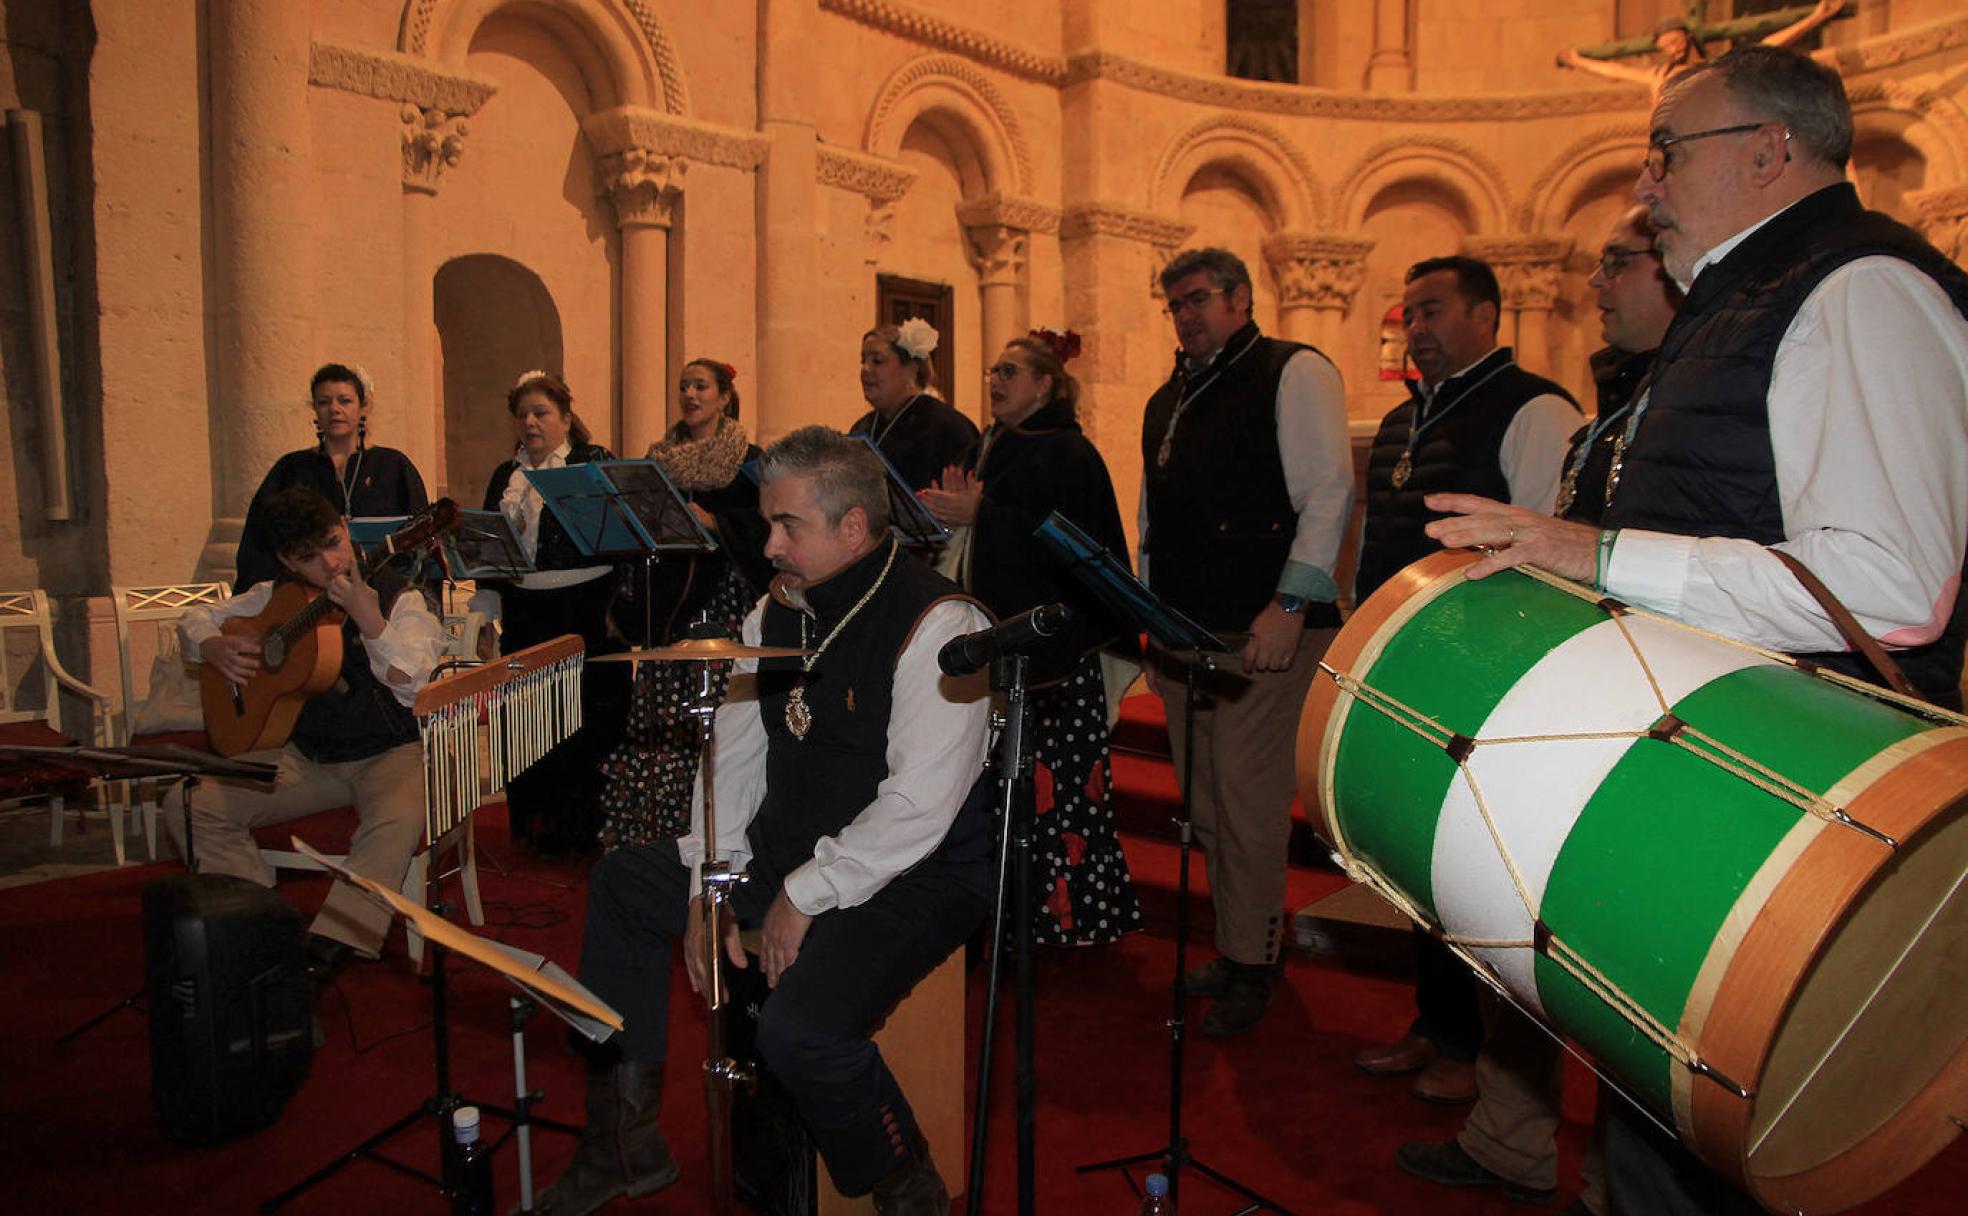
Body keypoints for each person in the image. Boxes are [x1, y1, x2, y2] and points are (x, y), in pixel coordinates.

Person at [1426, 46, 1968, 1214]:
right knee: (1655, 1143)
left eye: (1668, 152)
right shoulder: (1754, 296)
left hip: (1792, 803)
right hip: (1720, 782)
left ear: (1772, 150)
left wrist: (1594, 552)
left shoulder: (1860, 288)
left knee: (1705, 1157)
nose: (1646, 184)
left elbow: (1893, 588)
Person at [532, 426, 995, 1216]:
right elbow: (735, 760)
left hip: (916, 872)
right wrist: (712, 879)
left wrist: (805, 891)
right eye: (768, 523)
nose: (769, 543)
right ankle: (624, 1146)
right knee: (623, 883)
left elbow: (918, 806)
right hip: (795, 852)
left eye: (789, 526)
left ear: (853, 526)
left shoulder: (941, 622)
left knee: (798, 1033)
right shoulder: (773, 609)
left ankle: (908, 1186)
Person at [1394, 206, 1681, 1216]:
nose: (1594, 283)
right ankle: (1511, 1138)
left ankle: (1608, 1186)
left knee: (1612, 963)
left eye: (1619, 264)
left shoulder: (1656, 398)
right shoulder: (1616, 402)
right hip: (1558, 690)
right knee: (1523, 933)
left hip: (1637, 711)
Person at [1352, 254, 1580, 1104]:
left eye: (1433, 309)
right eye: (1407, 313)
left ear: (1487, 314)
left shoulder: (1536, 408)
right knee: (1416, 857)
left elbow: (1546, 555)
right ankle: (1437, 1024)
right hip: (1404, 667)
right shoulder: (1405, 418)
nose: (1415, 328)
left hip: (1484, 676)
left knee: (1471, 866)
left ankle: (1485, 1058)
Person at [1138, 247, 1353, 1038]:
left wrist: (1291, 601)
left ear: (1240, 298)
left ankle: (1255, 964)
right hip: (1186, 633)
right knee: (1207, 806)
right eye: (1176, 305)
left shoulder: (1292, 370)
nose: (1187, 315)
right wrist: (1151, 612)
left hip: (1266, 629)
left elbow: (1329, 490)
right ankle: (1237, 951)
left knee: (1248, 805)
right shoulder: (1171, 397)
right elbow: (1151, 522)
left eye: (1199, 299)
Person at [919, 327, 1143, 947]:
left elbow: (1070, 546)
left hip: (1061, 655)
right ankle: (1015, 914)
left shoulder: (1068, 454)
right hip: (1005, 651)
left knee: (1062, 792)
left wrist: (981, 517)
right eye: (993, 369)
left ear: (1046, 384)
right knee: (1008, 790)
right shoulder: (992, 445)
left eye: (1010, 371)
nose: (995, 380)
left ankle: (1072, 917)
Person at [169, 487, 448, 979]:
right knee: (189, 802)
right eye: (308, 557)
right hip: (306, 756)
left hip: (390, 753)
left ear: (344, 525)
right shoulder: (275, 598)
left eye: (334, 543)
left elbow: (416, 685)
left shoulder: (400, 598)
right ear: (287, 560)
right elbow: (196, 619)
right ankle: (262, 921)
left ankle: (327, 947)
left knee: (398, 820)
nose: (330, 563)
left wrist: (370, 621)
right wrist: (211, 645)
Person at [598, 358, 771, 848]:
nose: (690, 394)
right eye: (683, 386)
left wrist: (717, 524)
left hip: (724, 602)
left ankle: (717, 825)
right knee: (662, 715)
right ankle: (655, 824)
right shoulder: (656, 462)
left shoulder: (749, 459)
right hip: (669, 605)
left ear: (723, 397)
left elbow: (765, 528)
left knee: (718, 714)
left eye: (700, 386)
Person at [472, 370, 625, 854]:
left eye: (541, 413)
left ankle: (584, 826)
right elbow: (488, 548)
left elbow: (619, 537)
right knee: (528, 716)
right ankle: (538, 824)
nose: (531, 423)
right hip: (525, 608)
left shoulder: (590, 462)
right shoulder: (506, 474)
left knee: (582, 718)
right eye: (523, 415)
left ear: (565, 417)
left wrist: (619, 608)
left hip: (585, 604)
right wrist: (487, 604)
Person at [234, 363, 429, 591]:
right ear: (315, 409)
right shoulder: (291, 468)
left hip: (383, 593)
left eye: (345, 401)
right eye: (324, 402)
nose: (334, 409)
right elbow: (259, 544)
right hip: (306, 600)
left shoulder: (394, 466)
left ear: (363, 407)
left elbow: (423, 547)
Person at [1556, 2, 1844, 101]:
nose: (1672, 48)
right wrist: (1578, 61)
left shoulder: (1716, 67)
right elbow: (1616, 71)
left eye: (1675, 40)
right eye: (1665, 45)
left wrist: (1814, 19)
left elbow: (1767, 45)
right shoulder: (1659, 76)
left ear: (1687, 38)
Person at [850, 319, 979, 492]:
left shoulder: (949, 428)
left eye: (877, 361)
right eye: (863, 360)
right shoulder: (862, 428)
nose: (865, 369)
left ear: (911, 367)